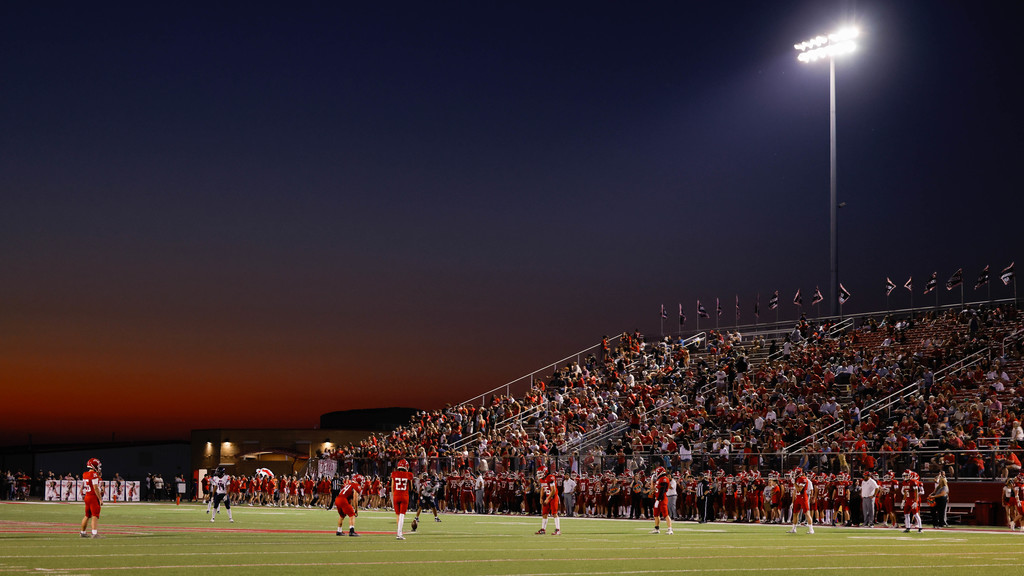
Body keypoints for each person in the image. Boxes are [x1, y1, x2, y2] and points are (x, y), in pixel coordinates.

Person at [79, 458, 103, 538]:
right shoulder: (94, 475)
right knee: (95, 515)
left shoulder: (85, 474)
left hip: (87, 496)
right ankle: (94, 533)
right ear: (94, 466)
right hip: (93, 497)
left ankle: (82, 532)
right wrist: (100, 499)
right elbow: (95, 488)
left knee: (87, 515)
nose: (99, 468)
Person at [390, 460, 414, 540]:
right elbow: (411, 488)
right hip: (404, 495)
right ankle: (399, 534)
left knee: (397, 515)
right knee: (402, 515)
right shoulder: (409, 474)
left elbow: (392, 487)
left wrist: (394, 495)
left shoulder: (394, 474)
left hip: (396, 495)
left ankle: (398, 531)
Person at [535, 465, 560, 535]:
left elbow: (553, 490)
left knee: (554, 513)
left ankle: (558, 530)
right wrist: (541, 498)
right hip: (547, 497)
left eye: (540, 473)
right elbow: (543, 488)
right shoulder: (542, 479)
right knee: (544, 514)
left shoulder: (550, 477)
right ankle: (543, 529)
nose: (539, 475)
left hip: (553, 497)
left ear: (545, 472)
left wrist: (548, 498)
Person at [788, 469, 814, 534]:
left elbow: (799, 489)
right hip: (798, 497)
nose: (793, 475)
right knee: (795, 513)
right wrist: (793, 501)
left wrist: (794, 483)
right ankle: (794, 529)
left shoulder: (803, 479)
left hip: (803, 497)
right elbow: (795, 491)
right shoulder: (797, 479)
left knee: (807, 513)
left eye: (795, 473)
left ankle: (811, 529)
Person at [650, 466, 673, 534]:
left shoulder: (664, 479)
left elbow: (662, 490)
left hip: (662, 499)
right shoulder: (659, 479)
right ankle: (657, 529)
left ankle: (670, 529)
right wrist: (651, 480)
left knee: (665, 514)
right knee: (656, 514)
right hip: (657, 498)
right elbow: (653, 488)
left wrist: (658, 500)